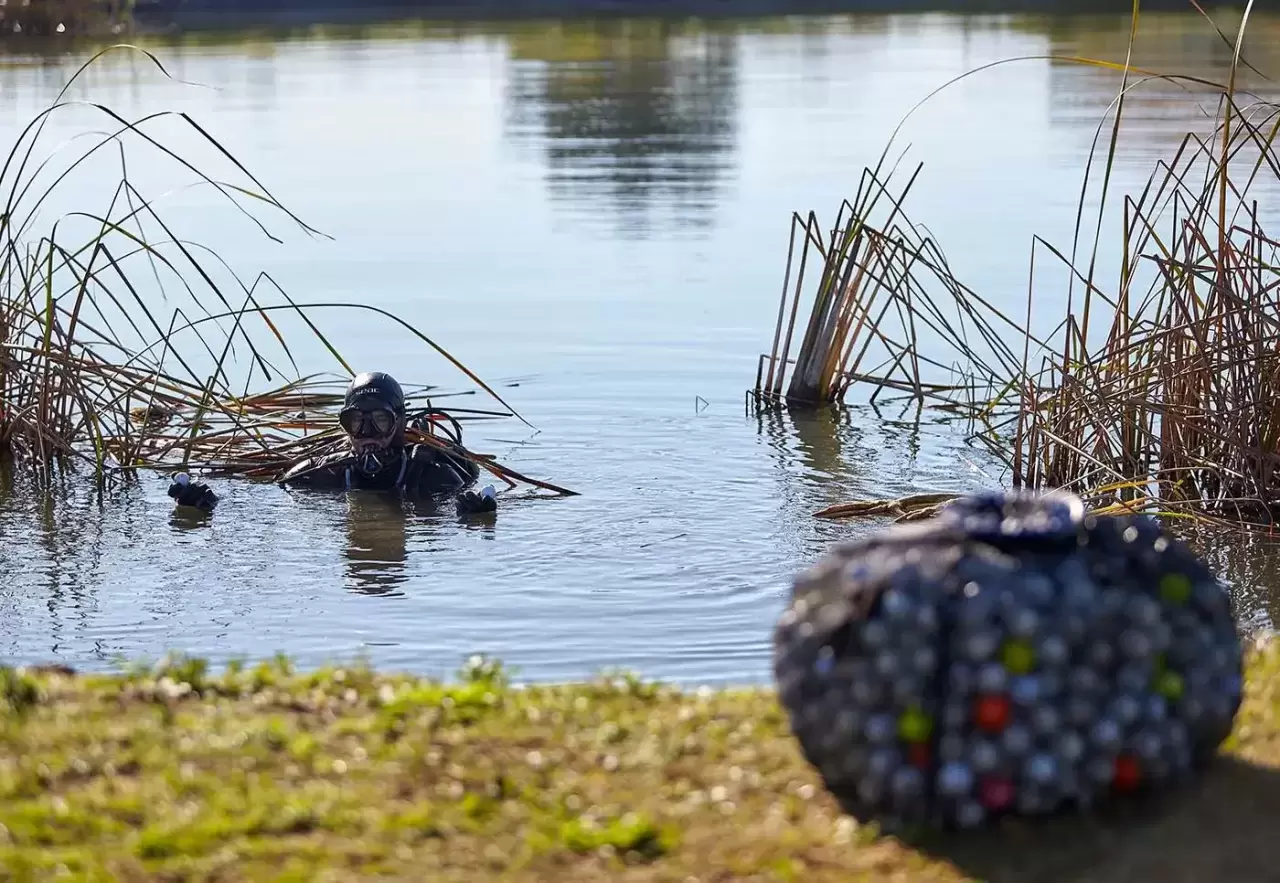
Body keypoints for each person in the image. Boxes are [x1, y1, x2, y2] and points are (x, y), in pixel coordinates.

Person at [168, 371, 498, 515]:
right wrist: (206, 502)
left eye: (379, 421)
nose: (367, 433)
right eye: (356, 422)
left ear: (398, 423)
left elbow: (451, 513)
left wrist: (473, 513)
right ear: (344, 425)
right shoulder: (322, 473)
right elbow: (261, 506)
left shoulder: (430, 474)